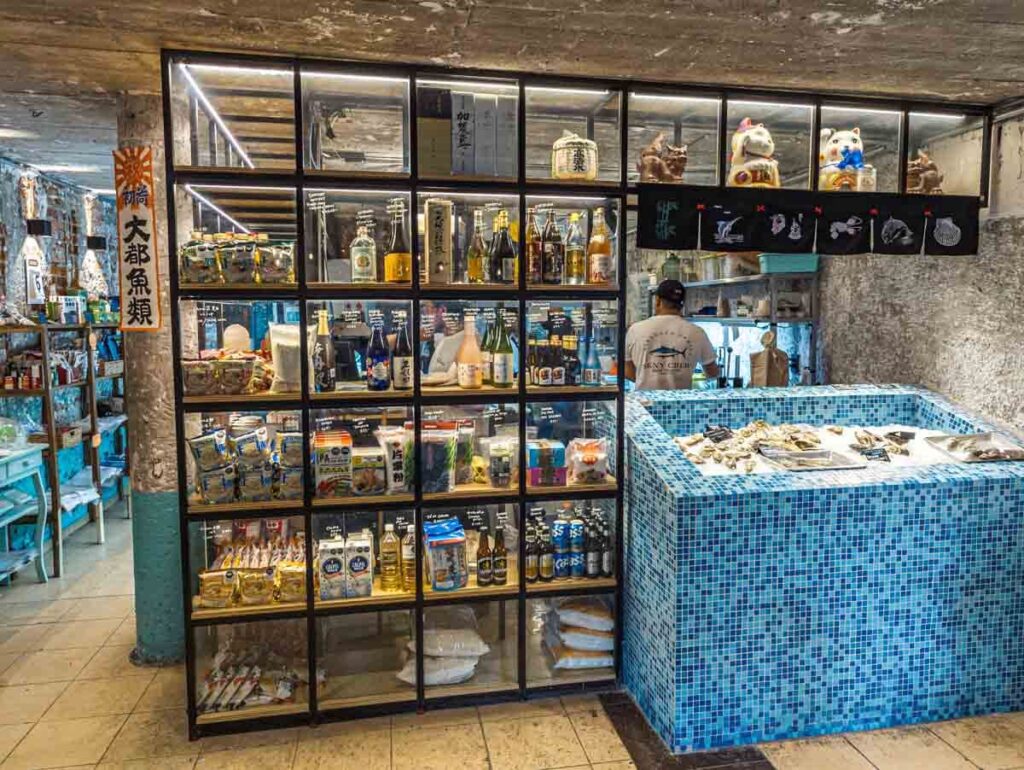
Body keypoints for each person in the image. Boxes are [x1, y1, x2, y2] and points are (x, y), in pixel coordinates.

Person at [624, 279, 720, 390]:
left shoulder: (635, 330)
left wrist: (647, 379)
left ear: (658, 301)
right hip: (680, 404)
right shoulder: (697, 332)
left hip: (645, 402)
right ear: (682, 305)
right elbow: (713, 373)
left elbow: (627, 371)